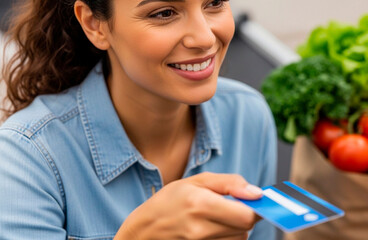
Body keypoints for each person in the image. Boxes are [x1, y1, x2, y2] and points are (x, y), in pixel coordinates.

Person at [0, 0, 277, 239]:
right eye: (164, 13)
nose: (204, 38)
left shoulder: (249, 117)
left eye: (214, 2)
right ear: (94, 24)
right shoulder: (26, 159)